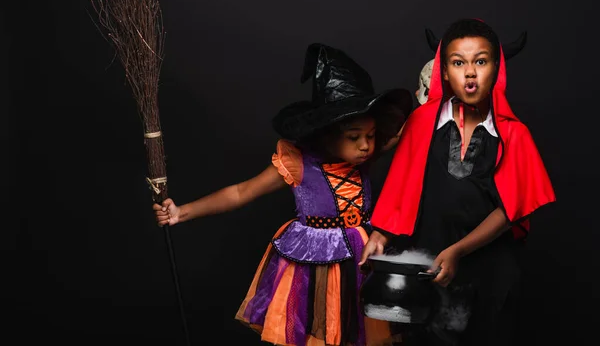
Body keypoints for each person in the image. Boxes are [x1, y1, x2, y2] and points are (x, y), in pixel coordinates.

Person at [154, 43, 413, 346]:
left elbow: (407, 132)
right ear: (328, 132)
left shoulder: (363, 156)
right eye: (354, 137)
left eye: (370, 136)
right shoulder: (298, 163)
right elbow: (241, 192)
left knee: (361, 334)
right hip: (315, 269)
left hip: (360, 261)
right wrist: (182, 212)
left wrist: (437, 91)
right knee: (318, 335)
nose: (366, 146)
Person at [359, 18, 555, 346]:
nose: (469, 73)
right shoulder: (421, 122)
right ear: (444, 71)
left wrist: (459, 251)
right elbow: (402, 185)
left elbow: (510, 210)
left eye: (480, 61)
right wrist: (380, 233)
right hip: (428, 268)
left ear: (496, 68)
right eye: (458, 62)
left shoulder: (514, 134)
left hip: (489, 274)